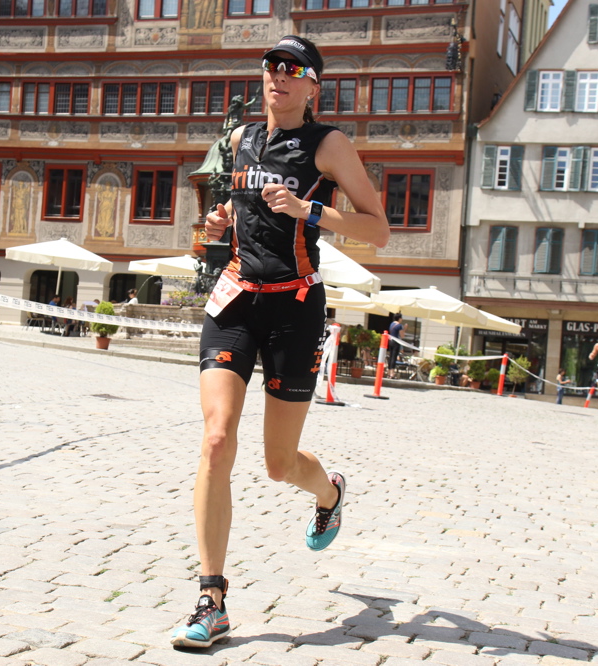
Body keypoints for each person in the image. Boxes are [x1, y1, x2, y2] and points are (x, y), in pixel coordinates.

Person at [170, 35, 390, 649]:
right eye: (271, 67)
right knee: (216, 439)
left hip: (295, 308)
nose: (278, 77)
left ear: (313, 85)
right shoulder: (240, 139)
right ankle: (212, 597)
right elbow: (231, 216)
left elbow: (379, 230)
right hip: (236, 299)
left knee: (277, 465)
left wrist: (308, 211)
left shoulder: (330, 145)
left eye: (292, 70)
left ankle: (330, 492)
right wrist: (218, 223)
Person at [386, 314, 404, 378]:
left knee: (390, 357)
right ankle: (392, 373)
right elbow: (402, 336)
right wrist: (405, 328)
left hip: (390, 341)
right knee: (394, 357)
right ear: (399, 318)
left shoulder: (391, 324)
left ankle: (388, 372)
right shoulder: (399, 325)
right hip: (396, 342)